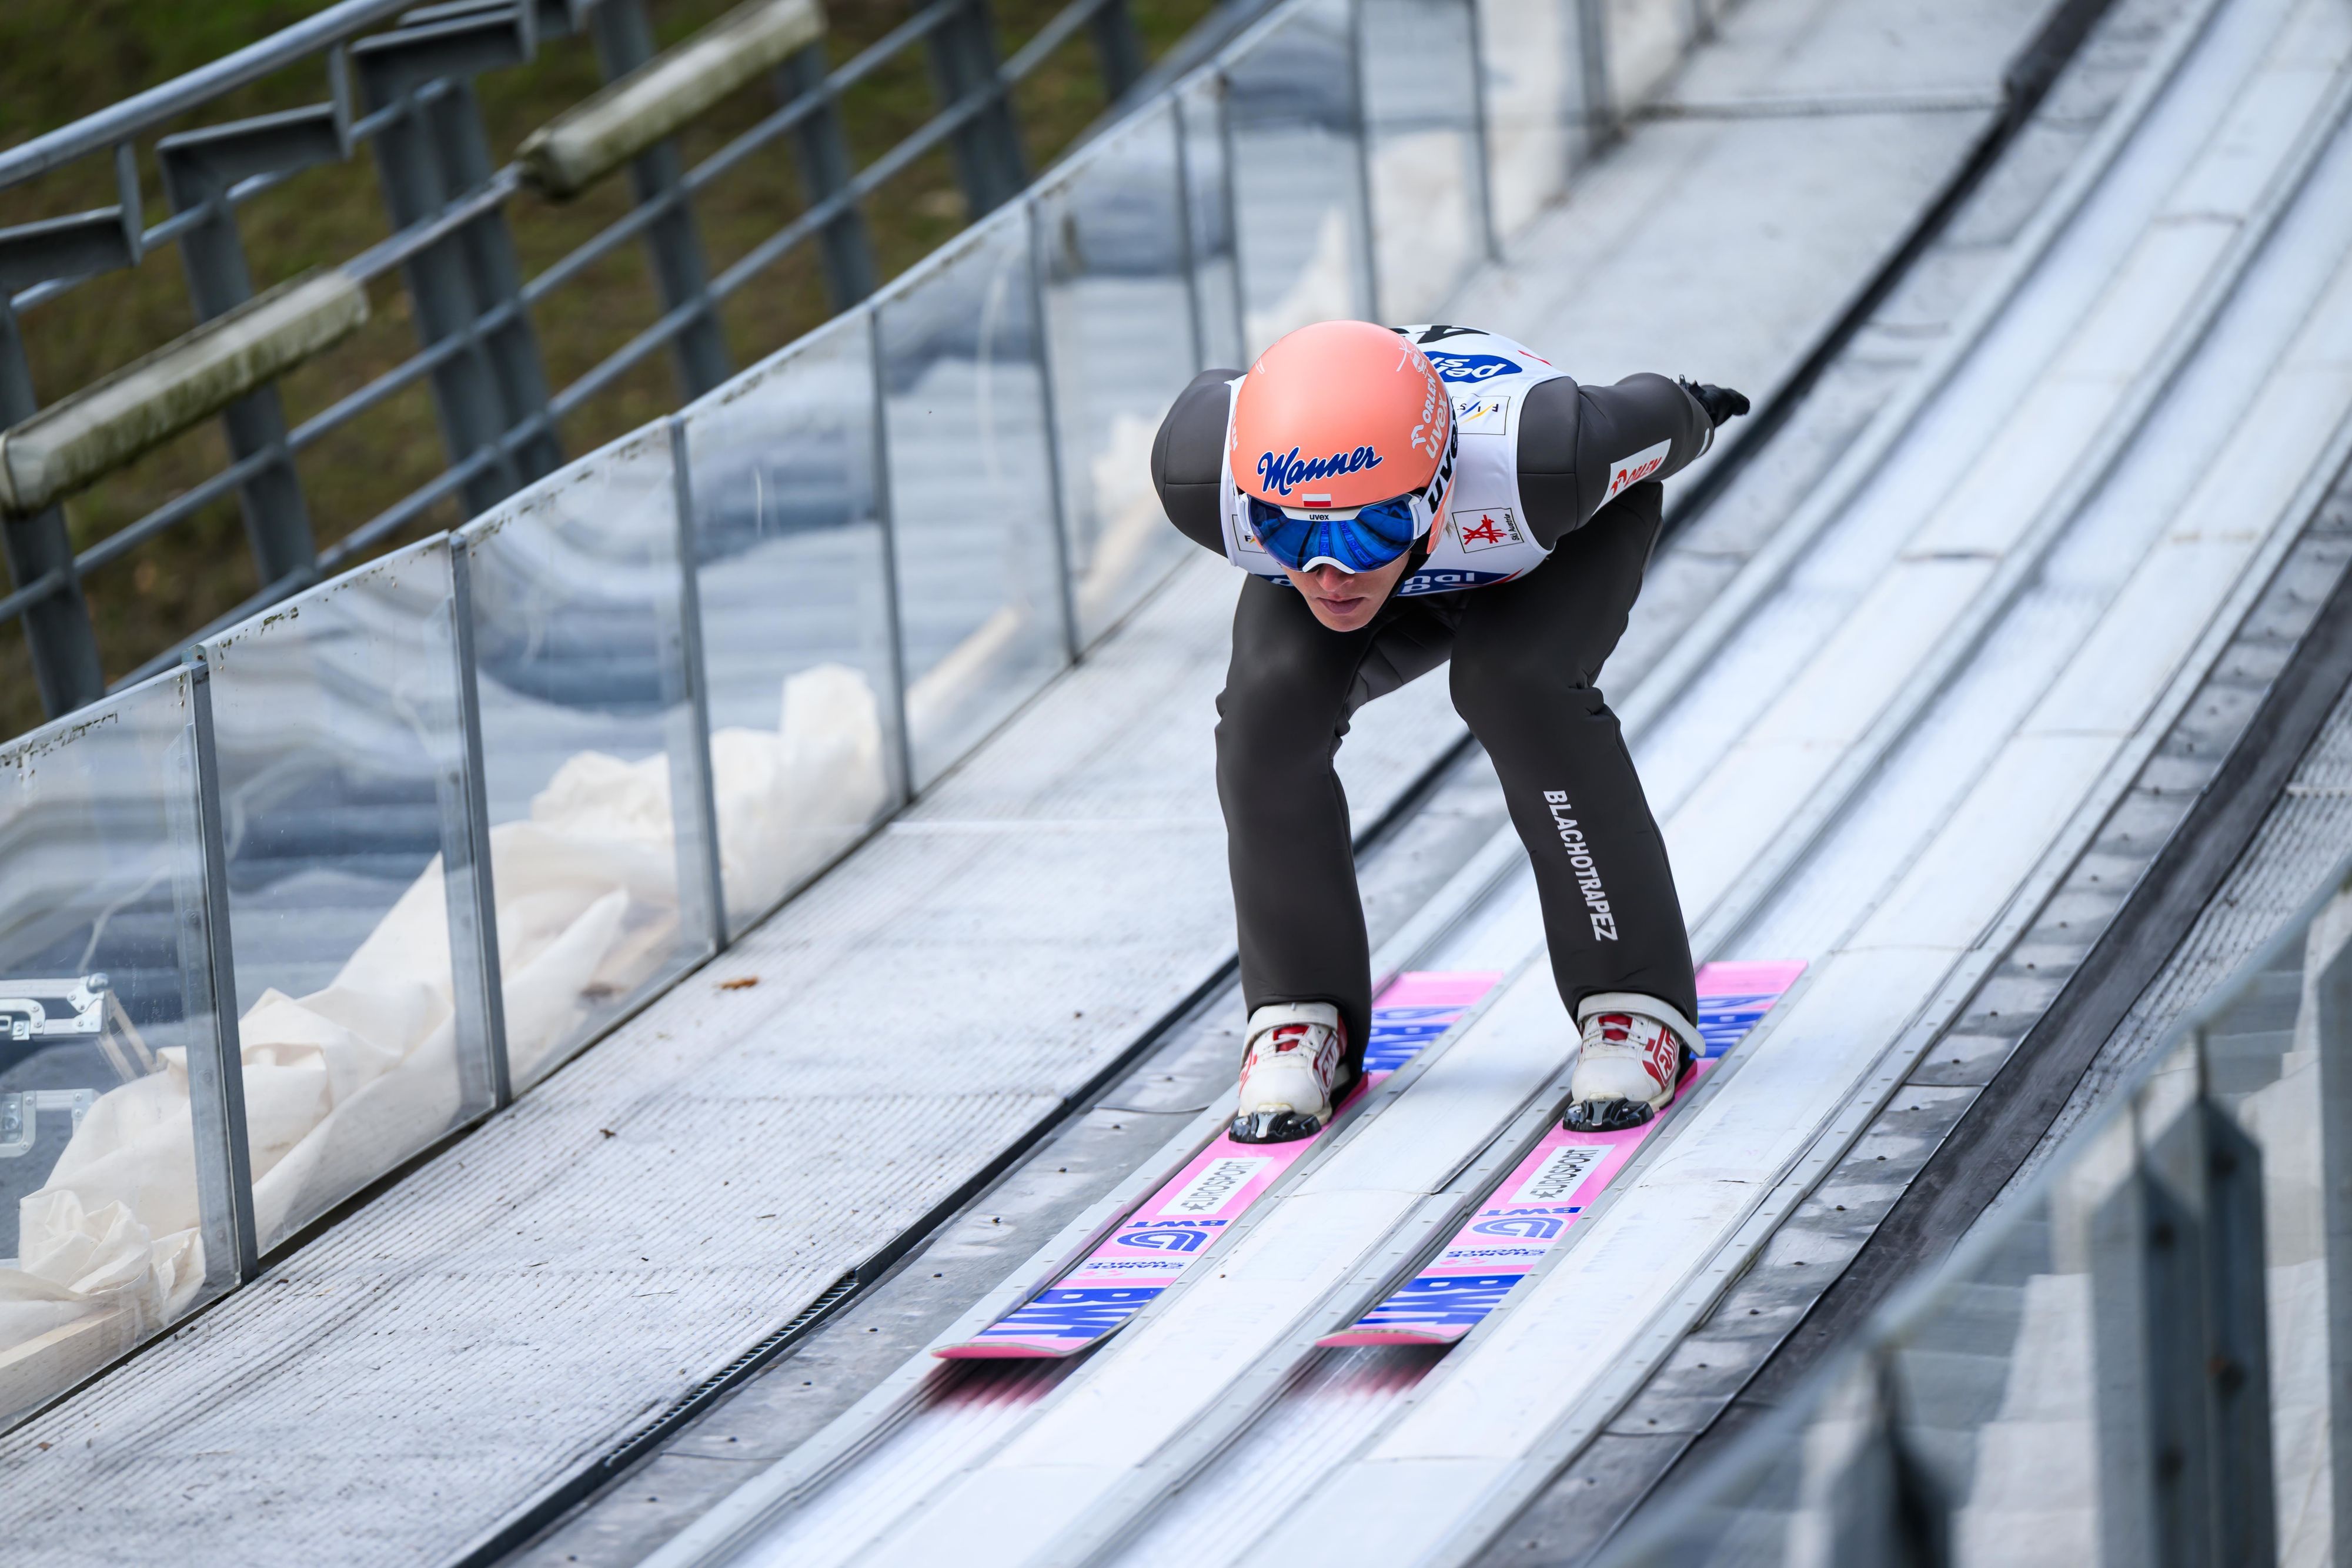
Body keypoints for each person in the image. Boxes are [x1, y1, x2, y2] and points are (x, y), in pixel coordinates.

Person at [1149, 320, 1749, 1143]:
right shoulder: (1199, 474)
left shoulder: (1546, 459)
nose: (1332, 572)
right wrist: (1351, 535)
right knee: (1265, 709)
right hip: (1445, 521)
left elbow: (1653, 413)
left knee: (1514, 683)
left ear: (1436, 491)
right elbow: (1326, 535)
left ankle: (1635, 999)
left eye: (1368, 532)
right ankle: (1299, 1009)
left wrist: (1696, 409)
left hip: (1543, 541)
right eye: (1290, 533)